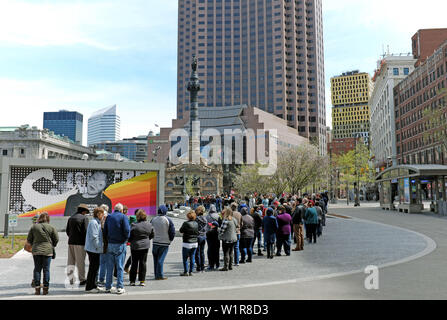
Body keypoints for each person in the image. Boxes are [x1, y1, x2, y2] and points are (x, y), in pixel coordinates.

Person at [27, 212, 59, 295]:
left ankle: (37, 289)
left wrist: (34, 243)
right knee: (46, 269)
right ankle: (45, 288)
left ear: (39, 218)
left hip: (36, 250)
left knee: (37, 269)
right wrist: (52, 245)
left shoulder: (34, 227)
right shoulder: (51, 227)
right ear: (48, 219)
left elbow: (29, 239)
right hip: (48, 251)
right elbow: (56, 238)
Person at [103, 203, 130, 294]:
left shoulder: (109, 217)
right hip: (120, 244)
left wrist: (108, 239)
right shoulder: (123, 217)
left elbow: (105, 230)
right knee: (119, 267)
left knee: (109, 267)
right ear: (121, 210)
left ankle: (108, 287)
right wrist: (125, 239)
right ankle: (119, 287)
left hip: (110, 244)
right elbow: (127, 230)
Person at [128, 209, 154, 286]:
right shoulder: (149, 224)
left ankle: (132, 281)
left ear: (137, 216)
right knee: (143, 263)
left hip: (135, 246)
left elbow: (130, 236)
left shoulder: (134, 225)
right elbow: (152, 234)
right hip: (145, 246)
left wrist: (132, 240)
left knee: (134, 263)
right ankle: (142, 281)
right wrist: (146, 239)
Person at [66, 204, 89, 286]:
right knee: (80, 262)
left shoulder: (71, 218)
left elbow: (67, 231)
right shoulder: (84, 218)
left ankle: (71, 279)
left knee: (70, 261)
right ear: (84, 211)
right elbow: (86, 232)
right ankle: (82, 279)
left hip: (71, 242)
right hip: (80, 243)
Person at [151, 205, 176, 280]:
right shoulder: (168, 220)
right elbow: (172, 231)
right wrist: (170, 239)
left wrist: (152, 237)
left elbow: (150, 230)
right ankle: (160, 275)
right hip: (164, 242)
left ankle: (156, 274)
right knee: (160, 259)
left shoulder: (153, 219)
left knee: (155, 259)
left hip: (155, 242)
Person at [84, 207, 105, 293]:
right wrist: (100, 248)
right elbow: (94, 237)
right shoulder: (93, 222)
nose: (103, 215)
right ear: (98, 214)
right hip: (93, 249)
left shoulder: (97, 222)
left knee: (95, 268)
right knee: (93, 268)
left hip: (95, 249)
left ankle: (93, 284)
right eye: (102, 214)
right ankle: (89, 287)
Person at [179, 210, 199, 276]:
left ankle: (186, 271)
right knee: (192, 257)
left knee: (185, 258)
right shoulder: (196, 223)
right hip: (195, 242)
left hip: (187, 242)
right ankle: (191, 271)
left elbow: (181, 230)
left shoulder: (186, 223)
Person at [97, 204, 109, 286]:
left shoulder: (98, 221)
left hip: (100, 244)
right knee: (105, 262)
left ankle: (101, 278)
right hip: (106, 244)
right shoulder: (107, 220)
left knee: (101, 262)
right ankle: (102, 279)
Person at [195, 206, 208, 273]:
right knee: (202, 252)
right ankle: (203, 267)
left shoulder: (196, 219)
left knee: (197, 253)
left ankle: (198, 267)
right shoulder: (205, 219)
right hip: (204, 236)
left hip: (198, 236)